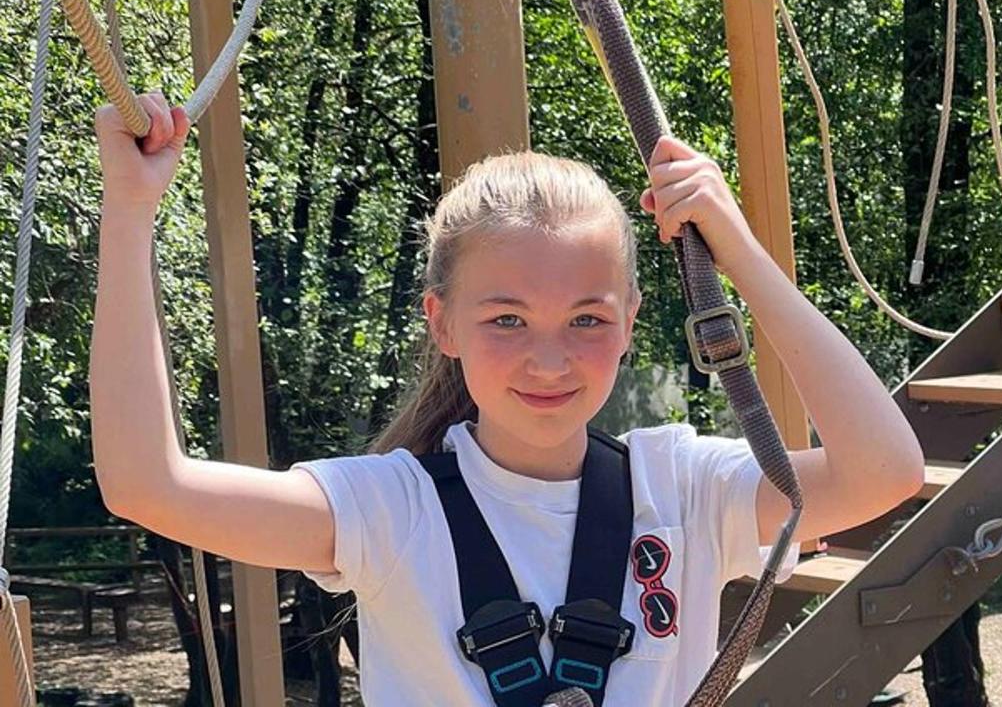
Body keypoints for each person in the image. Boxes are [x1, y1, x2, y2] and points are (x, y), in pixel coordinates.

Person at [89, 92, 926, 705]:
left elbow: (883, 471)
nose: (550, 359)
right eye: (507, 319)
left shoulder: (685, 491)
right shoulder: (391, 511)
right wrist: (128, 214)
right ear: (442, 324)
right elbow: (146, 484)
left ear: (632, 322)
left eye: (588, 319)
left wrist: (734, 251)